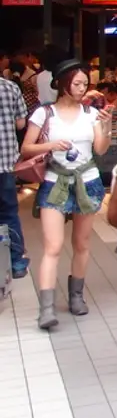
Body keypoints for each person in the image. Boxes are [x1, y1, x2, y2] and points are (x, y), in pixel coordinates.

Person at [20, 61, 110, 330]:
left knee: (82, 244)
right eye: (77, 83)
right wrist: (51, 145)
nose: (82, 88)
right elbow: (26, 148)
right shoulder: (44, 113)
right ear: (62, 83)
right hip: (54, 181)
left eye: (85, 84)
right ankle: (46, 308)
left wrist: (105, 127)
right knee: (53, 246)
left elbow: (101, 150)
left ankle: (76, 296)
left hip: (87, 180)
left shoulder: (91, 113)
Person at [0, 71, 28, 279]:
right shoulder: (10, 87)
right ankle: (17, 262)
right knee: (9, 213)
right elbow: (20, 123)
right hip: (5, 163)